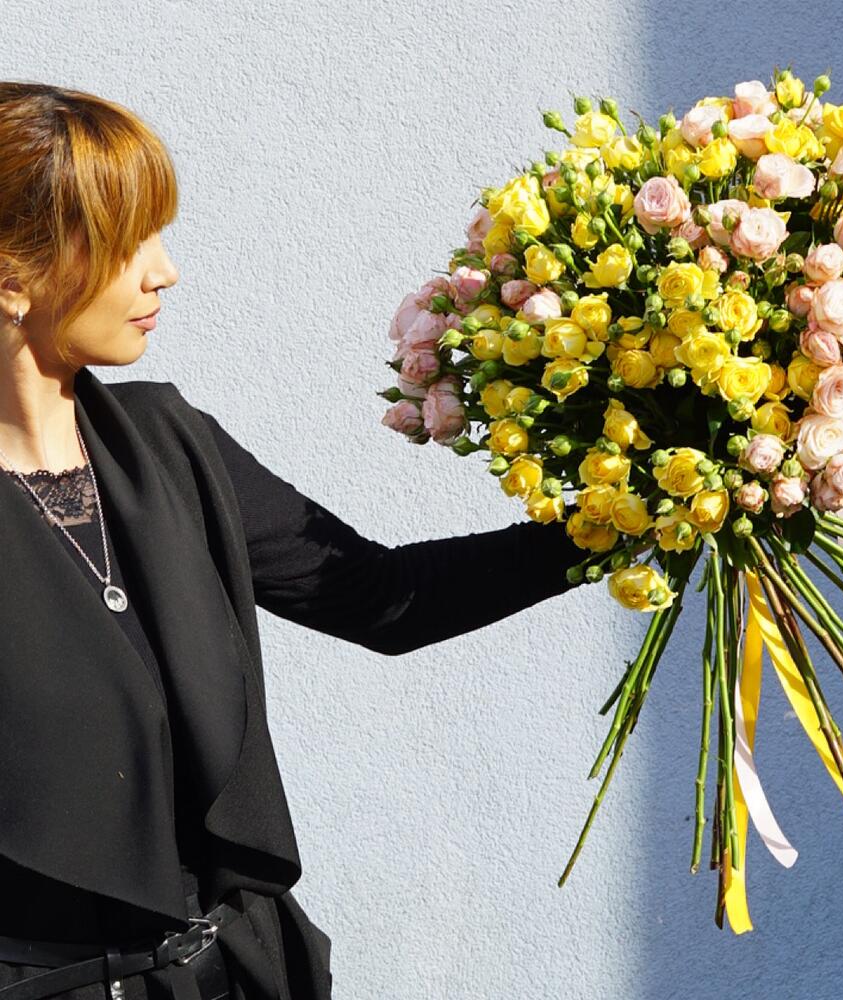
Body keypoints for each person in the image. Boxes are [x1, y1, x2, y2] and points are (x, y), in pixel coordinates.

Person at [0, 83, 584, 1000]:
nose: (164, 272)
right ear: (12, 276)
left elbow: (383, 598)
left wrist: (621, 523)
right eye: (126, 242)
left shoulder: (171, 444)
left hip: (244, 976)